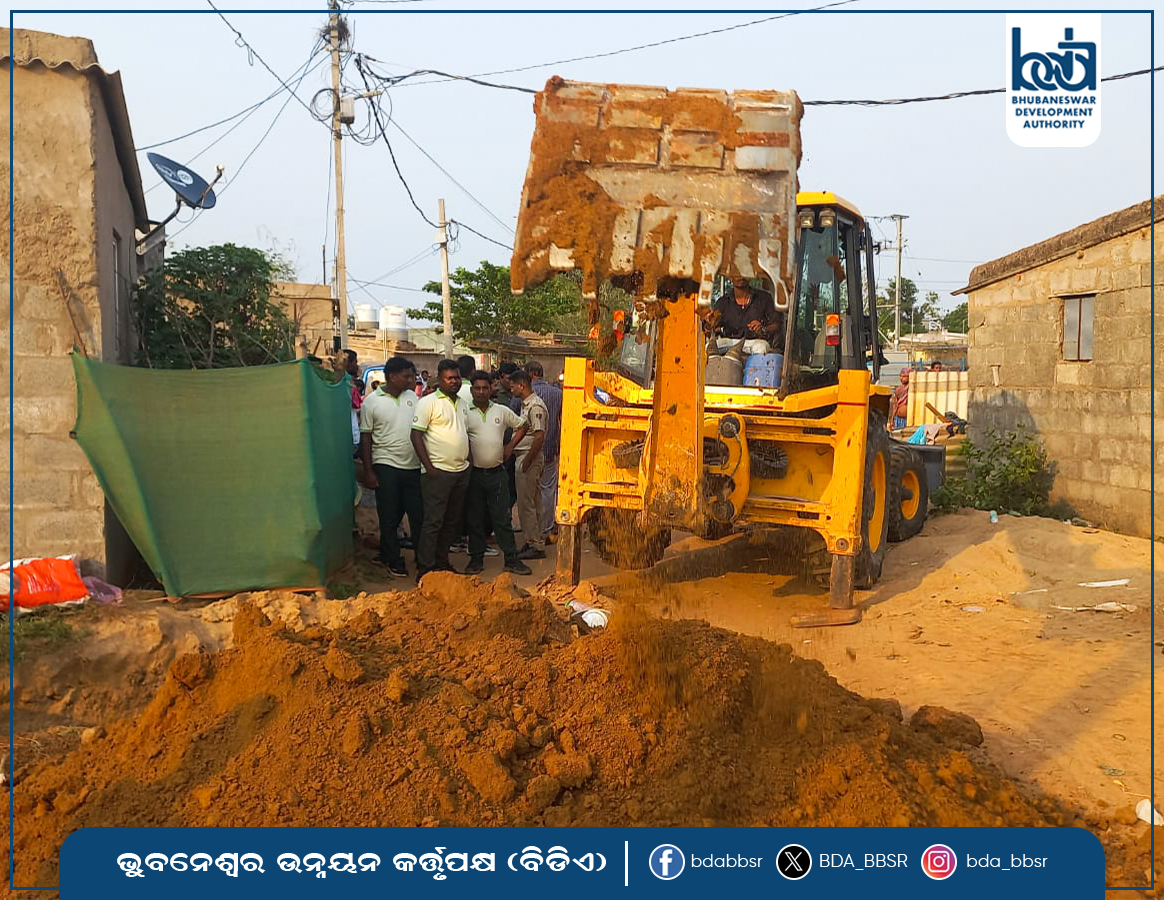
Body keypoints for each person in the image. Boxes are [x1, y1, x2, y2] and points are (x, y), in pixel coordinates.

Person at [463, 371, 533, 577]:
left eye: (485, 388)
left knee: (502, 518)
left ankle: (511, 559)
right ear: (472, 390)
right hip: (474, 474)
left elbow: (523, 425)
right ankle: (476, 559)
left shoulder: (501, 411)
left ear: (491, 389)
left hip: (497, 474)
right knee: (475, 518)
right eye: (477, 388)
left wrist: (510, 446)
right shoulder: (465, 413)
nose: (482, 392)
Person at [360, 357, 423, 579]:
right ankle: (394, 559)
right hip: (386, 465)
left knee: (417, 515)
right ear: (393, 377)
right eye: (407, 376)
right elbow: (366, 438)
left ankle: (422, 559)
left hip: (413, 466)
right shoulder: (371, 402)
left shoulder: (413, 398)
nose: (411, 379)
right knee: (388, 515)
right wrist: (369, 471)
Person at [410, 359, 471, 578]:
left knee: (451, 522)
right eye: (449, 378)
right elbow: (415, 435)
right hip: (437, 472)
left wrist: (468, 465)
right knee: (433, 521)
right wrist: (429, 467)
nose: (454, 381)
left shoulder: (463, 404)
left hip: (460, 472)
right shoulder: (428, 403)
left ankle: (442, 563)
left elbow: (465, 435)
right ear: (440, 379)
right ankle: (425, 569)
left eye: (457, 377)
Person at [508, 369, 549, 560]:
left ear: (521, 385)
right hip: (526, 456)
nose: (511, 389)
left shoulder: (535, 406)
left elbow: (539, 437)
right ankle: (534, 539)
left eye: (512, 385)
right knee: (533, 501)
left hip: (528, 458)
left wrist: (527, 461)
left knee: (526, 503)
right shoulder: (527, 405)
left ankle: (535, 544)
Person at [526, 360, 563, 544]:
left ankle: (532, 533)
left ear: (531, 374)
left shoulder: (524, 394)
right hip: (549, 450)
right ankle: (545, 530)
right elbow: (563, 421)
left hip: (527, 451)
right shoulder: (558, 394)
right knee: (548, 491)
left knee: (529, 492)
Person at [713, 278, 783, 347]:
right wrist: (709, 325)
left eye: (744, 271)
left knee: (761, 347)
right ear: (730, 277)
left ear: (750, 275)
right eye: (736, 272)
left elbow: (777, 324)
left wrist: (763, 329)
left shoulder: (764, 298)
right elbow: (713, 329)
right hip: (730, 346)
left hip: (756, 346)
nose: (740, 275)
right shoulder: (723, 302)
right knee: (712, 346)